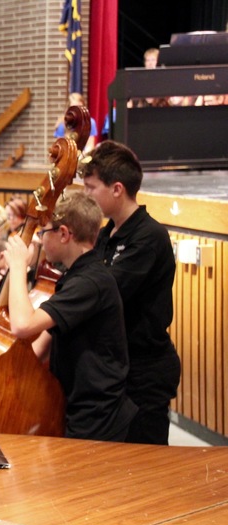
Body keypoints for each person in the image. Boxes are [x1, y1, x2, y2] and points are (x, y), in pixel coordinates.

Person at [4, 191, 137, 442]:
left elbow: (22, 326)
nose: (40, 241)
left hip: (97, 414)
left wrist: (19, 266)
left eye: (43, 233)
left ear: (64, 234)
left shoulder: (90, 282)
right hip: (81, 404)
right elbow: (45, 341)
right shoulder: (75, 277)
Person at [82, 140, 181, 445]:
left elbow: (104, 292)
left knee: (145, 467)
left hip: (145, 370)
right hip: (118, 366)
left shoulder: (149, 236)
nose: (86, 195)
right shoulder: (106, 234)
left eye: (91, 187)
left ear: (117, 189)